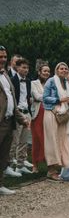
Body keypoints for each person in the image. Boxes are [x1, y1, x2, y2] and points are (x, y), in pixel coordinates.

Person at [0, 48, 30, 195]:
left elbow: (11, 99)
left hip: (9, 120)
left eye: (5, 56)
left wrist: (21, 119)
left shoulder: (5, 75)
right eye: (0, 57)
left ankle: (0, 185)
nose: (3, 59)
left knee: (3, 155)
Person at [42, 62, 69, 181]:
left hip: (62, 115)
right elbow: (45, 98)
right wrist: (59, 99)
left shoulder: (66, 83)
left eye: (66, 69)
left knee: (63, 140)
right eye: (61, 68)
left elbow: (66, 98)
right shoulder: (51, 81)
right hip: (51, 113)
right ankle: (51, 171)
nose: (64, 70)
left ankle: (60, 167)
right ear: (56, 70)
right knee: (52, 141)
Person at [9, 58, 32, 176]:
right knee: (15, 140)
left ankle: (20, 165)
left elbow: (27, 97)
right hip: (17, 112)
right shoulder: (12, 80)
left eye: (27, 68)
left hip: (27, 112)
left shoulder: (28, 81)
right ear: (17, 68)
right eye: (23, 67)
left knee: (24, 140)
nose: (26, 70)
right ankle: (8, 166)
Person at [30, 63, 50, 173]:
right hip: (37, 115)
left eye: (48, 71)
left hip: (49, 114)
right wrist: (50, 98)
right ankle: (34, 165)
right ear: (39, 72)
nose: (46, 73)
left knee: (48, 140)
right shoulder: (33, 83)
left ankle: (50, 165)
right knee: (37, 140)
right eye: (44, 71)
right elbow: (36, 96)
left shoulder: (51, 83)